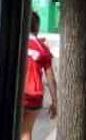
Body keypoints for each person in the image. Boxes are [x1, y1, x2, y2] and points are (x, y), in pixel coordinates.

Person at [22, 12, 57, 140]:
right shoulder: (42, 48)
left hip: (18, 93)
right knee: (26, 132)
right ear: (37, 27)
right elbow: (50, 79)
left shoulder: (18, 42)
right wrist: (55, 101)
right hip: (35, 95)